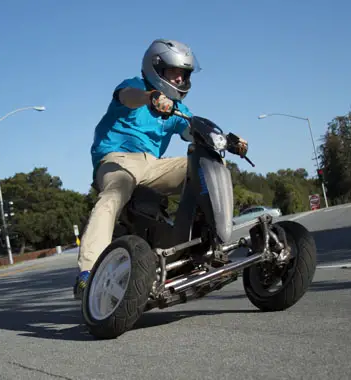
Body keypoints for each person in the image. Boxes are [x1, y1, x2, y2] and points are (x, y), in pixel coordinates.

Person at [73, 38, 247, 299]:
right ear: (156, 68)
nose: (179, 79)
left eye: (183, 74)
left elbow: (191, 130)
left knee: (208, 160)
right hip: (117, 159)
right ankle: (88, 273)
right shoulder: (134, 87)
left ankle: (205, 243)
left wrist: (228, 141)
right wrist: (150, 97)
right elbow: (128, 98)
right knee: (113, 195)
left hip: (154, 166)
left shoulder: (177, 109)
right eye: (173, 72)